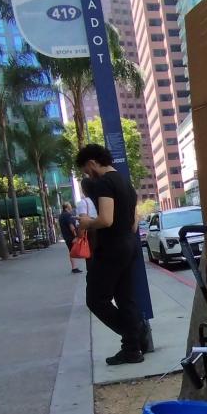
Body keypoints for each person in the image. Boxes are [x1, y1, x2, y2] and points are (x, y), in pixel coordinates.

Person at [74, 143, 148, 366]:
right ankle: (132, 349)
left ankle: (135, 333)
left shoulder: (105, 183)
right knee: (126, 298)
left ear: (92, 162)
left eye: (87, 170)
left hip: (111, 248)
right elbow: (134, 223)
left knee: (96, 299)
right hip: (129, 244)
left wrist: (86, 223)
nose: (89, 175)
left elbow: (106, 219)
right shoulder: (126, 183)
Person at [58, 202, 81, 273]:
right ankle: (74, 268)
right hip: (71, 236)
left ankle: (74, 267)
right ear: (67, 207)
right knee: (73, 251)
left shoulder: (61, 216)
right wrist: (76, 236)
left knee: (71, 251)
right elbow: (71, 226)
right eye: (70, 206)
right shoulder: (68, 215)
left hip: (66, 236)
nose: (71, 207)